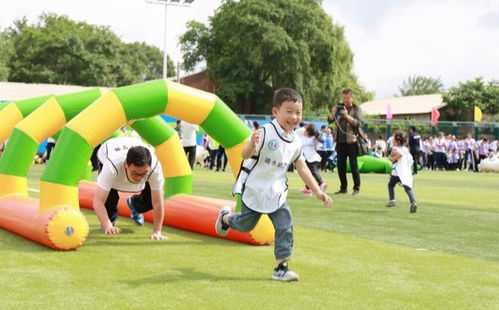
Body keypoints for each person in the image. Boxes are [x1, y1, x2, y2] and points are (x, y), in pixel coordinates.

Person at [214, 88, 332, 282]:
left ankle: (281, 267)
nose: (294, 117)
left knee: (285, 225)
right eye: (289, 111)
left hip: (277, 193)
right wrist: (252, 144)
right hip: (254, 189)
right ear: (276, 112)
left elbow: (302, 167)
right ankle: (226, 219)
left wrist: (318, 191)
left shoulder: (296, 141)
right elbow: (244, 155)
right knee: (245, 225)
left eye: (298, 112)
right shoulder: (265, 132)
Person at [93, 137, 167, 240]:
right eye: (134, 173)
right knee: (110, 199)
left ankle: (134, 204)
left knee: (151, 200)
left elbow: (158, 203)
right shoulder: (111, 166)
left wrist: (157, 231)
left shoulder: (155, 168)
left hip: (133, 147)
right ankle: (110, 219)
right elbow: (98, 201)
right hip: (108, 150)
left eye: (143, 173)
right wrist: (108, 225)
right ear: (126, 165)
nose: (138, 177)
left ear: (149, 167)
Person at [328, 89, 363, 196]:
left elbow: (359, 123)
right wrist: (332, 113)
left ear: (352, 98)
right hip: (340, 141)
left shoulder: (356, 109)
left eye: (347, 98)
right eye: (343, 98)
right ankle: (343, 188)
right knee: (340, 166)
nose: (345, 100)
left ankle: (356, 188)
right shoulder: (338, 107)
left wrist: (347, 116)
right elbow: (329, 120)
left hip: (352, 141)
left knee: (354, 165)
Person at [386, 131, 418, 213]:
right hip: (404, 171)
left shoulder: (395, 149)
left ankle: (392, 200)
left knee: (391, 185)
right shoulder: (405, 149)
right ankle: (413, 202)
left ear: (397, 141)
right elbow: (409, 159)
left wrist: (392, 159)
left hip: (397, 172)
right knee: (407, 188)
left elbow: (399, 155)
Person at [299, 124, 327, 195]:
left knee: (313, 172)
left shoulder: (313, 138)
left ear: (308, 132)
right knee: (309, 174)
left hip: (313, 159)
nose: (304, 131)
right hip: (308, 159)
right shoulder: (302, 138)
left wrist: (316, 134)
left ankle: (321, 183)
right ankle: (309, 189)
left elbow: (322, 140)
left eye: (306, 130)